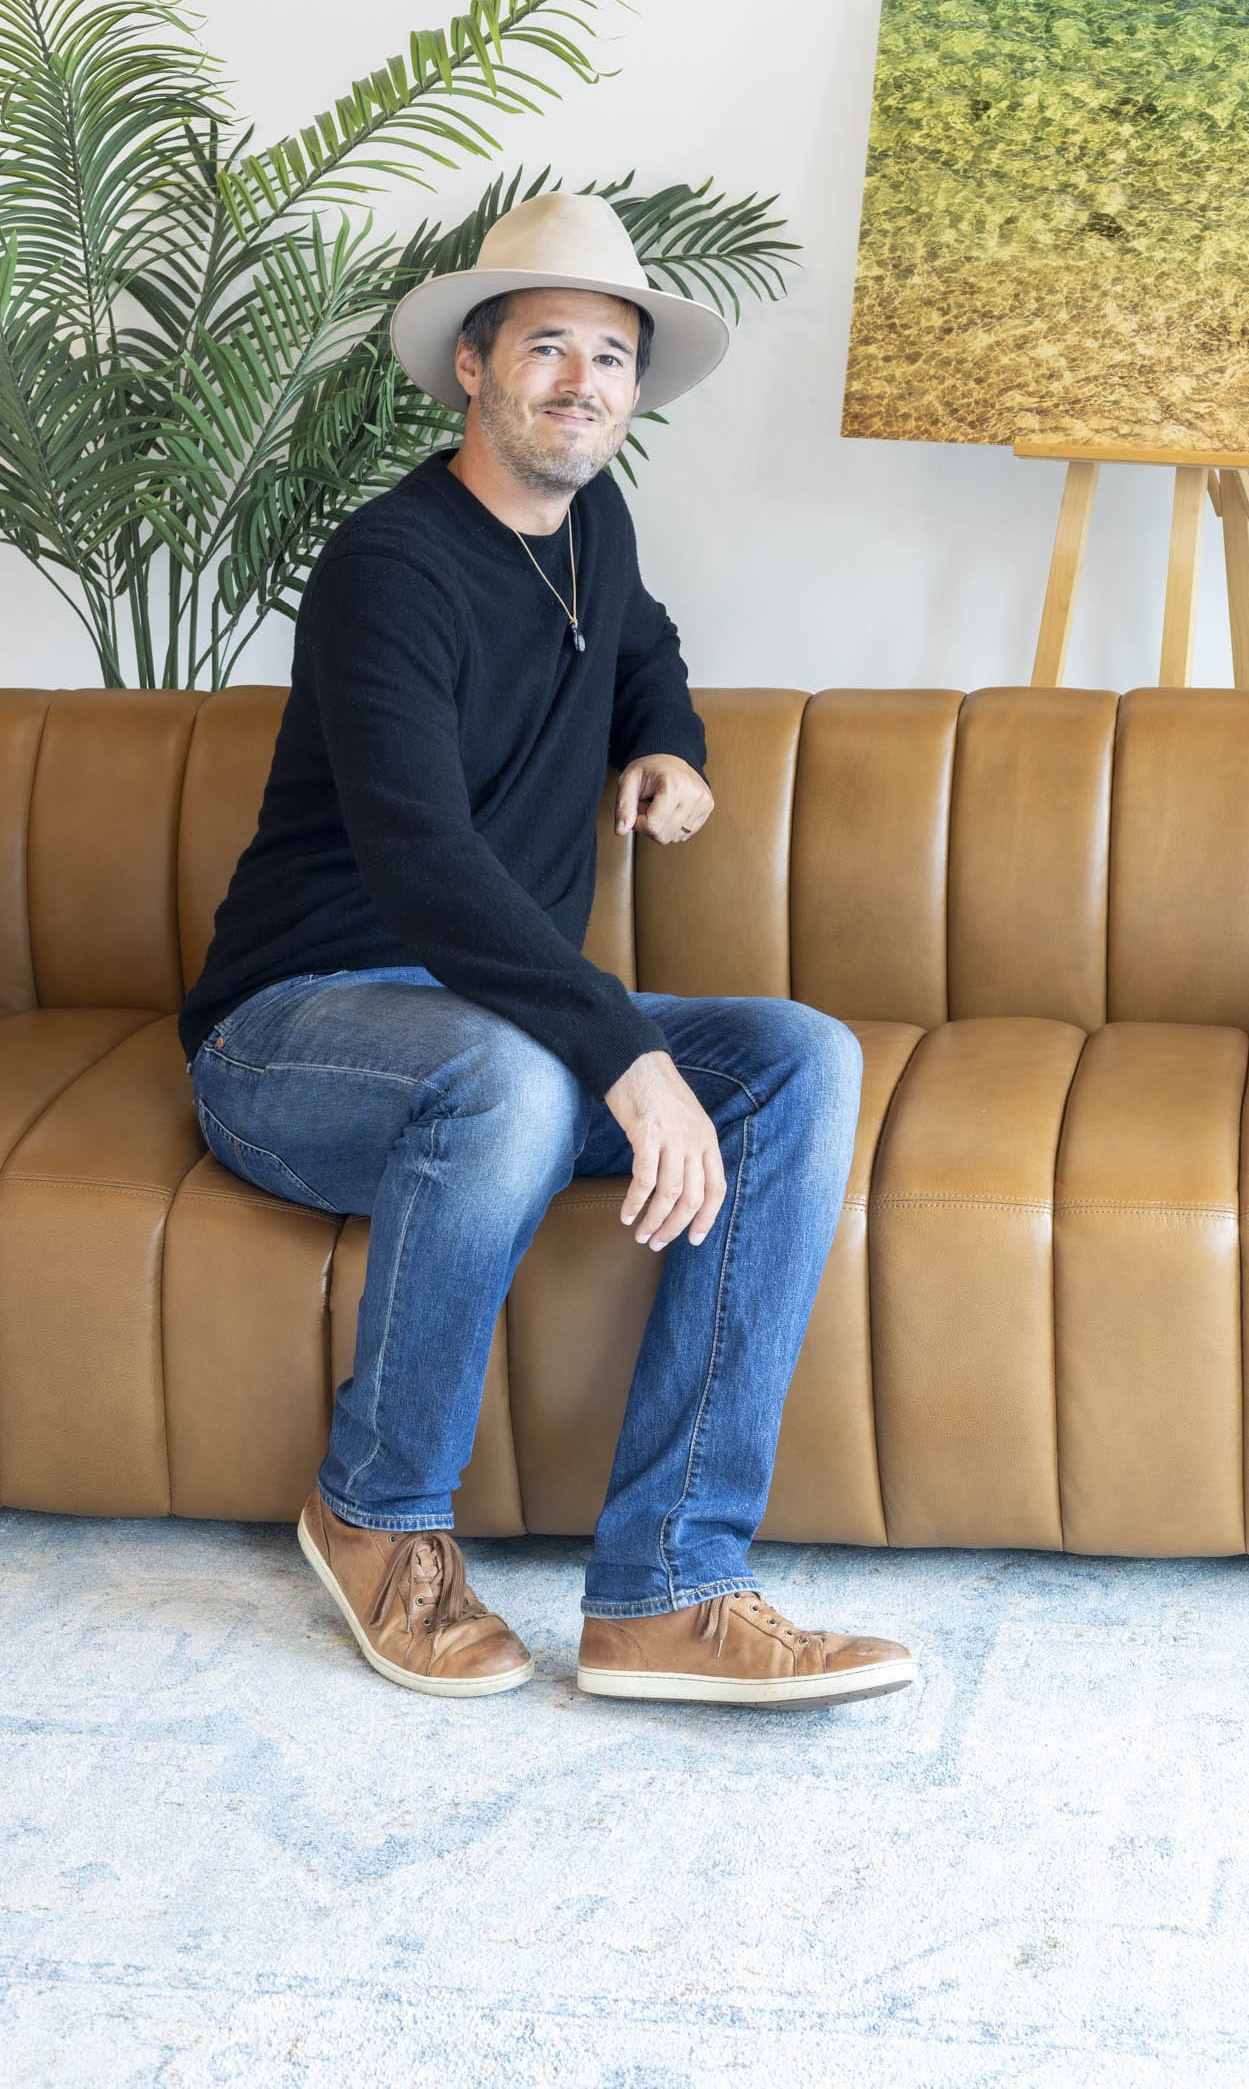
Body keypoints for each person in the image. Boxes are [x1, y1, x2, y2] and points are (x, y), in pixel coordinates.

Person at [179, 190, 916, 1710]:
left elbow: (638, 639)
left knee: (800, 1056)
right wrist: (626, 1052)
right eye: (551, 347)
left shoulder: (594, 525)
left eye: (613, 356)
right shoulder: (387, 568)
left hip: (489, 1019)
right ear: (474, 364)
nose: (585, 381)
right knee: (514, 1080)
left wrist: (670, 745)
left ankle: (670, 1591)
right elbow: (425, 866)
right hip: (302, 1027)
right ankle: (375, 1517)